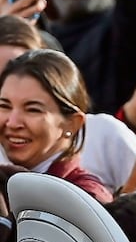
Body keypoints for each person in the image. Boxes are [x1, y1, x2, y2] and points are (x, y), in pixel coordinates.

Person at [0, 49, 111, 201]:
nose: (13, 123)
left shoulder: (85, 199)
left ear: (72, 123)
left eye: (33, 110)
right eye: (4, 106)